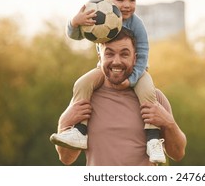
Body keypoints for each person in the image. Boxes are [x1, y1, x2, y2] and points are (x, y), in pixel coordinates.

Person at [50, 0, 166, 163]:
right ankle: (79, 131)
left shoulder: (136, 24)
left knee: (148, 92)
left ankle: (153, 139)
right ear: (106, 0)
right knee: (82, 84)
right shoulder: (99, 16)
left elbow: (143, 53)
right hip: (103, 69)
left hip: (138, 70)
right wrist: (74, 22)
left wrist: (134, 78)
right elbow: (76, 36)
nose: (127, 5)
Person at [54, 28, 187, 165]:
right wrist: (64, 122)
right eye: (109, 54)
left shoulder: (154, 98)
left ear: (135, 58)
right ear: (100, 57)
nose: (116, 61)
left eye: (124, 54)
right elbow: (66, 159)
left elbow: (177, 154)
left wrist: (169, 123)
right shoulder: (87, 98)